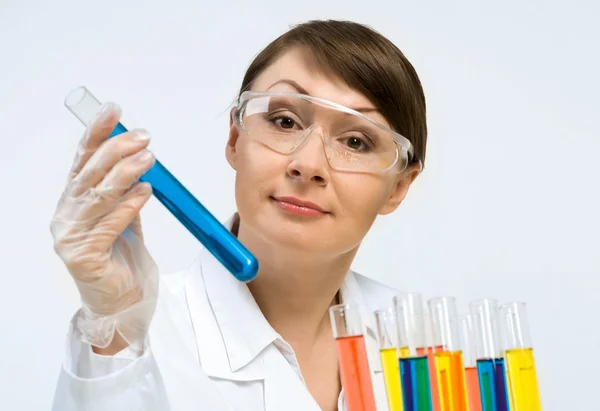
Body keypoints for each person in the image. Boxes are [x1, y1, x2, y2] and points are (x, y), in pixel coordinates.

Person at [50, 19, 427, 411]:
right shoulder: (133, 337)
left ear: (399, 186)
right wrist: (113, 332)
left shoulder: (424, 341)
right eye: (284, 121)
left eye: (355, 141)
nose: (308, 163)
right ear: (234, 140)